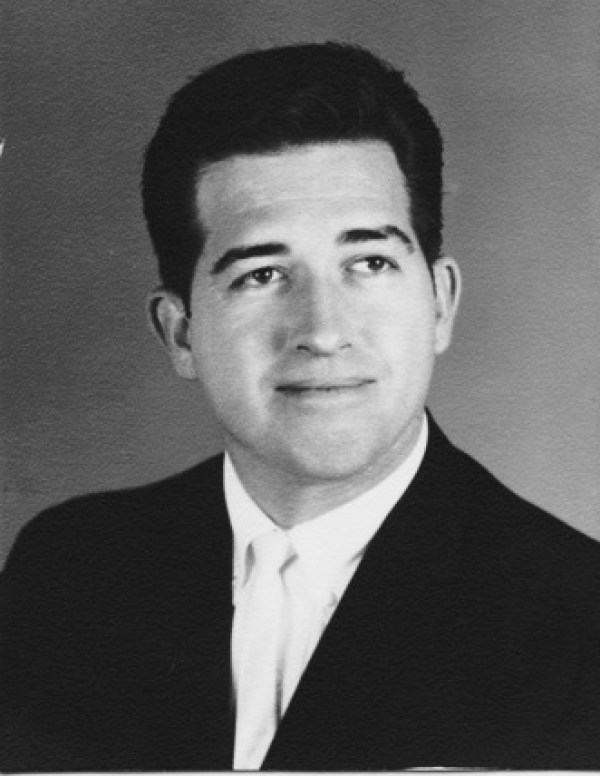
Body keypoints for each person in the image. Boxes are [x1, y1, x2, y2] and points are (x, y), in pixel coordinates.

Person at [1, 42, 600, 772]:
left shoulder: (578, 618)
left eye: (369, 263)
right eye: (261, 274)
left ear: (440, 302)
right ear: (181, 332)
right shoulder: (71, 571)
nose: (322, 330)